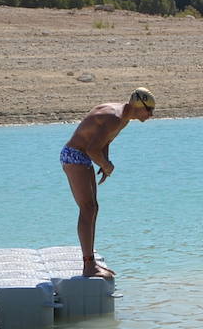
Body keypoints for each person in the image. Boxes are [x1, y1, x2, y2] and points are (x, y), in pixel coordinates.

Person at [61, 88, 155, 279]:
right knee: (87, 208)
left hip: (82, 156)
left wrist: (104, 162)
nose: (151, 115)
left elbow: (104, 140)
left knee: (93, 207)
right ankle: (88, 266)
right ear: (139, 105)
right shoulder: (115, 117)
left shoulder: (124, 117)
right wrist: (106, 164)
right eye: (150, 110)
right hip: (74, 155)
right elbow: (91, 148)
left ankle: (91, 261)